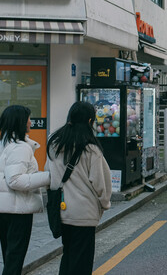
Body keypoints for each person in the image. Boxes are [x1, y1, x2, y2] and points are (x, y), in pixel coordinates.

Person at [46, 102, 112, 275]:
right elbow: (101, 183)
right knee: (81, 262)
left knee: (68, 256)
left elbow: (50, 175)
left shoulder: (54, 144)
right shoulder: (91, 149)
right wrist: (104, 204)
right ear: (90, 120)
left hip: (62, 211)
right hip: (84, 213)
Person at [0, 105, 50, 275]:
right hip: (17, 210)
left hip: (5, 209)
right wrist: (47, 177)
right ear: (19, 122)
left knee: (9, 257)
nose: (30, 122)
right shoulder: (20, 147)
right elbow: (15, 180)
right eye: (28, 118)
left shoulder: (4, 143)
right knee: (14, 259)